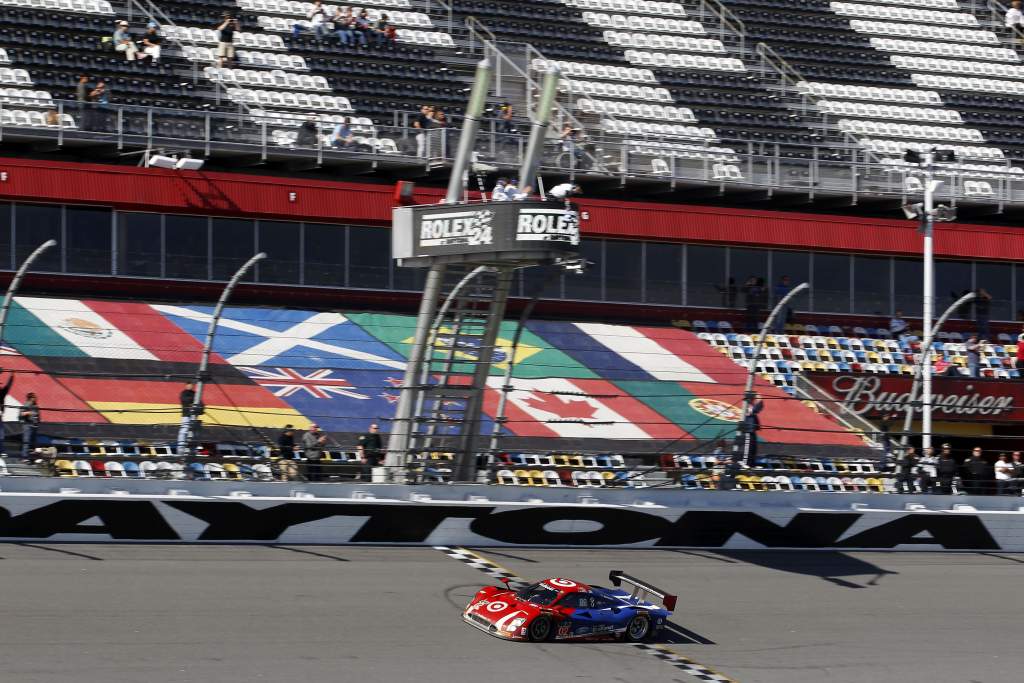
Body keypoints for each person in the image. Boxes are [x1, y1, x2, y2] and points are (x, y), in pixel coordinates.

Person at [742, 394, 764, 466]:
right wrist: (760, 400)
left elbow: (756, 410)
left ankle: (751, 464)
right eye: (753, 399)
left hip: (752, 430)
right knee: (748, 448)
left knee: (753, 448)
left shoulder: (751, 406)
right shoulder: (746, 406)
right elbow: (755, 409)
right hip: (748, 430)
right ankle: (746, 464)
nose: (754, 400)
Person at [19, 392, 40, 462]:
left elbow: (38, 415)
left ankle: (32, 458)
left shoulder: (36, 406)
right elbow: (21, 414)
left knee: (34, 442)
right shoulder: (26, 404)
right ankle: (24, 457)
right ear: (30, 398)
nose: (36, 398)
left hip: (34, 425)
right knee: (26, 441)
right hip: (27, 425)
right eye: (34, 397)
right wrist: (28, 413)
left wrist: (38, 421)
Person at [177, 382, 195, 455]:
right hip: (186, 414)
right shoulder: (184, 393)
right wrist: (193, 401)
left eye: (191, 385)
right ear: (186, 386)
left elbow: (200, 402)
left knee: (193, 432)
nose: (190, 386)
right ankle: (180, 449)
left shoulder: (195, 393)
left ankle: (191, 449)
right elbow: (185, 400)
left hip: (194, 415)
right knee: (184, 431)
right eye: (189, 385)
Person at [0, 371, 12, 456]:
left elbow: (7, 387)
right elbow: (7, 387)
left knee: (1, 434)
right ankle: (1, 450)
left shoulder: (1, 392)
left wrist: (11, 377)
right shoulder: (2, 392)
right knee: (1, 434)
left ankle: (1, 450)